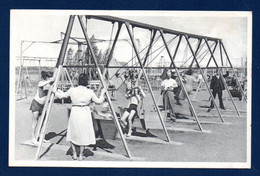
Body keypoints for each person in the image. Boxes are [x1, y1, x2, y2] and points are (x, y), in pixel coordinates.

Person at [54, 73, 106, 161]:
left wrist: (55, 90)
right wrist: (103, 93)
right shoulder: (90, 92)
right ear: (87, 81)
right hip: (85, 112)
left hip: (75, 112)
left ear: (78, 81)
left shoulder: (72, 90)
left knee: (73, 132)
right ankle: (81, 155)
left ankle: (74, 153)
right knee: (83, 133)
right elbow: (99, 101)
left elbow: (61, 96)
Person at [30, 71, 54, 145]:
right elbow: (40, 84)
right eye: (49, 77)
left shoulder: (50, 85)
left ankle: (41, 137)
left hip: (43, 106)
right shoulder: (42, 82)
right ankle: (33, 138)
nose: (50, 78)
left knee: (43, 122)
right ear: (46, 77)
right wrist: (50, 80)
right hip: (36, 104)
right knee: (35, 121)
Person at [120, 71, 146, 137]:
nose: (133, 80)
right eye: (132, 79)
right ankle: (130, 128)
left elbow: (143, 97)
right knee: (122, 119)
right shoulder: (131, 90)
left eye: (134, 79)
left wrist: (137, 92)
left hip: (135, 106)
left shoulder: (138, 90)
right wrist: (129, 94)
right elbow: (126, 97)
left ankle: (129, 132)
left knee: (129, 118)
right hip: (130, 105)